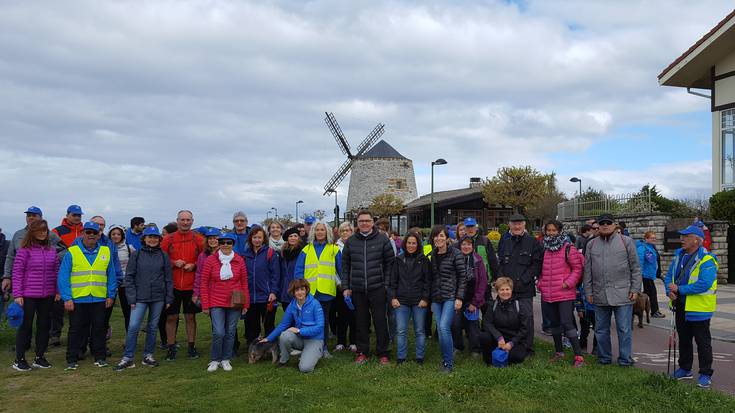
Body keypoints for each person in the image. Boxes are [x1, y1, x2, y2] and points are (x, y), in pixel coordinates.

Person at [583, 213, 642, 367]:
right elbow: (587, 270)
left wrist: (635, 288)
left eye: (608, 222)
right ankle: (604, 358)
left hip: (623, 293)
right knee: (601, 329)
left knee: (624, 329)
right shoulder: (591, 244)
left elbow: (635, 268)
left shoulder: (627, 242)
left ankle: (625, 359)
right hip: (600, 294)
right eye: (602, 223)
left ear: (614, 225)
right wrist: (588, 292)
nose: (605, 225)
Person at [665, 225, 719, 388]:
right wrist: (670, 290)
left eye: (686, 236)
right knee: (684, 339)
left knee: (703, 342)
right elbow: (669, 277)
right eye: (682, 236)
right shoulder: (678, 256)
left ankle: (705, 373)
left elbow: (704, 284)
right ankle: (685, 368)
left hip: (699, 308)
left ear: (696, 240)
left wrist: (680, 289)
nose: (682, 239)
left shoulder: (707, 259)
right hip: (680, 306)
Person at [58, 222, 116, 370]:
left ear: (99, 235)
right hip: (78, 298)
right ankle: (71, 359)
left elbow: (111, 276)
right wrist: (67, 297)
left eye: (94, 233)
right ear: (83, 233)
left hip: (99, 297)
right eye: (88, 232)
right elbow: (63, 277)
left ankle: (100, 357)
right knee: (76, 329)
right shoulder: (72, 252)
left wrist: (110, 295)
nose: (91, 235)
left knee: (99, 329)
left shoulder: (106, 251)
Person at [113, 226, 173, 371]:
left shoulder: (163, 255)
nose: (152, 239)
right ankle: (128, 357)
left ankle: (148, 355)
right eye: (149, 237)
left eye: (155, 237)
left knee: (152, 327)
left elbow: (168, 278)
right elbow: (129, 276)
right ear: (144, 239)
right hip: (140, 297)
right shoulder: (136, 254)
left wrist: (169, 298)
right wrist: (131, 298)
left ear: (159, 239)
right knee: (134, 326)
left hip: (158, 297)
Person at [341, 210, 395, 365]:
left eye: (367, 220)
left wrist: (386, 285)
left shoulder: (382, 240)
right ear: (357, 223)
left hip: (378, 287)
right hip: (357, 288)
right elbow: (345, 266)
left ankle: (382, 352)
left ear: (372, 222)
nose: (364, 223)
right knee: (361, 322)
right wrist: (346, 286)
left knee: (380, 321)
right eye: (361, 221)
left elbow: (390, 264)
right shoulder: (351, 241)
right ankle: (362, 351)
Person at [3, 207, 65, 335]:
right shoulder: (18, 234)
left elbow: (64, 251)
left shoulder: (50, 234)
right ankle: (24, 344)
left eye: (34, 215)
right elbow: (10, 257)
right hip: (25, 284)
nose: (30, 217)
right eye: (28, 215)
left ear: (40, 218)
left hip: (45, 284)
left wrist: (49, 258)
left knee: (44, 319)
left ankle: (47, 342)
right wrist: (6, 276)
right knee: (25, 317)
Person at [11, 220, 59, 371]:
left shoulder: (52, 251)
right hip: (28, 294)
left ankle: (40, 357)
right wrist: (18, 294)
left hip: (48, 294)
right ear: (32, 232)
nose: (42, 233)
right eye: (39, 230)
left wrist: (57, 291)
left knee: (44, 326)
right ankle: (19, 359)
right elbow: (17, 273)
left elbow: (56, 272)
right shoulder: (24, 251)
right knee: (25, 327)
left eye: (44, 230)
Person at [200, 232, 250, 372]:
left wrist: (246, 304)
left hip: (235, 300)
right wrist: (205, 304)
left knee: (230, 332)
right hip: (216, 300)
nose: (225, 245)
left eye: (229, 242)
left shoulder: (239, 260)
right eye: (222, 242)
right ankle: (215, 359)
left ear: (233, 244)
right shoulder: (210, 260)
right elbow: (204, 283)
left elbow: (244, 283)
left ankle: (226, 358)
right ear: (219, 244)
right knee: (218, 332)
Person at [538, 220, 585, 367]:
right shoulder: (544, 248)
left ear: (559, 231)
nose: (551, 233)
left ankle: (578, 356)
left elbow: (577, 269)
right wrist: (540, 283)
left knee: (567, 323)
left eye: (554, 230)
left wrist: (568, 283)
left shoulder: (568, 248)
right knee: (554, 324)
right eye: (549, 230)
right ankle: (559, 352)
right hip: (548, 292)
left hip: (564, 293)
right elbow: (540, 270)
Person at [161, 210, 204, 361]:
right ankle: (171, 347)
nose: (185, 223)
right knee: (171, 317)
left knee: (190, 317)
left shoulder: (198, 239)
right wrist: (174, 263)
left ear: (192, 221)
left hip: (191, 285)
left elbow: (205, 259)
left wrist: (194, 265)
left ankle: (191, 347)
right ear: (177, 221)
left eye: (188, 220)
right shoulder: (168, 239)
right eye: (182, 220)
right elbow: (161, 258)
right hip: (172, 285)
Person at [495, 214, 543, 351]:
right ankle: (509, 344)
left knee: (526, 317)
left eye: (519, 224)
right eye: (514, 224)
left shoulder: (532, 241)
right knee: (508, 317)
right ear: (509, 225)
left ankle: (527, 348)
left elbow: (536, 264)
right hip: (506, 288)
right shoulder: (504, 241)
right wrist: (501, 282)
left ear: (524, 225)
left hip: (524, 288)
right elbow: (500, 263)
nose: (517, 226)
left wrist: (524, 280)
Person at [295, 221, 340, 358]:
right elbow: (299, 271)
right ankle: (308, 347)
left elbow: (341, 269)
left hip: (326, 292)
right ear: (313, 232)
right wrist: (299, 289)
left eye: (323, 230)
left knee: (323, 321)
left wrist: (346, 286)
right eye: (317, 230)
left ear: (327, 232)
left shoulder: (334, 249)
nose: (320, 232)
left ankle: (323, 347)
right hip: (309, 293)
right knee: (308, 320)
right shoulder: (306, 250)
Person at [261, 279, 324, 373]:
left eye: (302, 289)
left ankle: (315, 352)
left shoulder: (315, 304)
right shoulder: (292, 305)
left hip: (314, 339)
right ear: (293, 292)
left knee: (305, 368)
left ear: (306, 290)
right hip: (300, 338)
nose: (300, 292)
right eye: (297, 290)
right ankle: (284, 360)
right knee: (284, 335)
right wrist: (268, 338)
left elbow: (320, 327)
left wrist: (299, 331)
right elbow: (283, 324)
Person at [428, 225, 465, 373]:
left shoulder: (456, 253)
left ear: (447, 238)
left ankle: (448, 364)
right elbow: (431, 278)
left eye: (441, 236)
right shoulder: (433, 255)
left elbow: (463, 277)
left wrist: (459, 298)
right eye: (436, 236)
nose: (438, 238)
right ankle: (445, 360)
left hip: (451, 296)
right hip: (437, 298)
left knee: (443, 327)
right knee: (442, 329)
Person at [389, 231, 430, 364]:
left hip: (419, 301)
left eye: (414, 243)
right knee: (401, 330)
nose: (411, 245)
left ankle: (420, 358)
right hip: (401, 301)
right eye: (409, 243)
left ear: (418, 245)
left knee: (419, 330)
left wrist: (425, 298)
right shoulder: (398, 260)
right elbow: (393, 281)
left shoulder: (424, 260)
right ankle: (401, 358)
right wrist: (393, 297)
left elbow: (427, 281)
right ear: (404, 244)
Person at [479, 277, 530, 366]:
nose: (505, 292)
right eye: (501, 289)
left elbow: (524, 329)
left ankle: (502, 356)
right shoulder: (492, 305)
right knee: (484, 336)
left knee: (518, 356)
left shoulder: (519, 305)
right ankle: (489, 362)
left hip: (515, 339)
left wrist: (512, 343)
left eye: (507, 289)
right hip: (498, 338)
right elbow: (487, 323)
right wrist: (499, 337)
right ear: (497, 291)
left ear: (511, 290)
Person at [242, 226, 281, 344]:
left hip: (266, 296)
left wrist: (273, 292)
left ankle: (270, 347)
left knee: (268, 324)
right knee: (251, 325)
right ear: (250, 239)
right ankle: (253, 348)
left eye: (259, 237)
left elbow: (275, 274)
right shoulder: (245, 255)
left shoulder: (270, 253)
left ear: (264, 239)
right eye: (254, 237)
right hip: (250, 296)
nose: (257, 240)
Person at [452, 236, 487, 356]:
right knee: (455, 323)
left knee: (473, 325)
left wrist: (475, 302)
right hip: (457, 298)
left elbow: (482, 282)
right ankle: (458, 346)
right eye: (463, 244)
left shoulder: (478, 259)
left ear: (472, 246)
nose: (466, 247)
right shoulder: (455, 258)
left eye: (469, 244)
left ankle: (475, 349)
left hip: (473, 298)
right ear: (459, 245)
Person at [334, 222, 356, 352]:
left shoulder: (356, 245)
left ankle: (353, 341)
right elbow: (333, 269)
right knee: (341, 315)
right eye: (343, 231)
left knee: (354, 315)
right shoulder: (335, 248)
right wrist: (339, 284)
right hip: (340, 287)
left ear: (352, 232)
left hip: (355, 286)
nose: (345, 233)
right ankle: (341, 342)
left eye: (348, 230)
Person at [108, 225, 134, 332]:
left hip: (125, 284)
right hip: (110, 284)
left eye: (118, 234)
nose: (116, 236)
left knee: (127, 312)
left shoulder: (129, 248)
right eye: (113, 234)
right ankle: (104, 337)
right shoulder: (104, 248)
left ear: (122, 235)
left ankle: (129, 339)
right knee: (106, 312)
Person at [636, 231, 665, 319]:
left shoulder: (651, 247)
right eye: (652, 238)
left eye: (654, 238)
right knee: (652, 293)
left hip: (649, 274)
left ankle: (643, 308)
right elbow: (640, 262)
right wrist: (639, 274)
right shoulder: (642, 248)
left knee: (647, 293)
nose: (654, 239)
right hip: (645, 275)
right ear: (646, 239)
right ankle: (654, 311)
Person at [193, 227, 221, 305]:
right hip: (208, 291)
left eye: (215, 238)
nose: (212, 241)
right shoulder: (202, 255)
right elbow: (199, 275)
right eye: (210, 238)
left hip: (223, 290)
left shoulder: (225, 254)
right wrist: (196, 292)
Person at [278, 227, 303, 310]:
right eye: (290, 236)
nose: (293, 238)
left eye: (295, 236)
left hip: (298, 287)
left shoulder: (303, 251)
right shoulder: (283, 252)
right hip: (285, 289)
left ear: (298, 238)